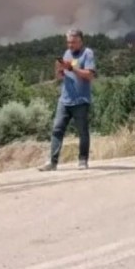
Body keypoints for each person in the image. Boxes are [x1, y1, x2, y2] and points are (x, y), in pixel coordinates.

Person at [39, 29, 97, 171]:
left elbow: (90, 75)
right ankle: (52, 162)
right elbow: (60, 78)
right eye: (68, 42)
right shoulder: (66, 54)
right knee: (57, 130)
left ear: (80, 41)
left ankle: (83, 160)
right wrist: (58, 69)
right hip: (64, 100)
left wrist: (72, 68)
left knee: (83, 131)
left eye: (73, 42)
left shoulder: (87, 53)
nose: (70, 45)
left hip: (81, 101)